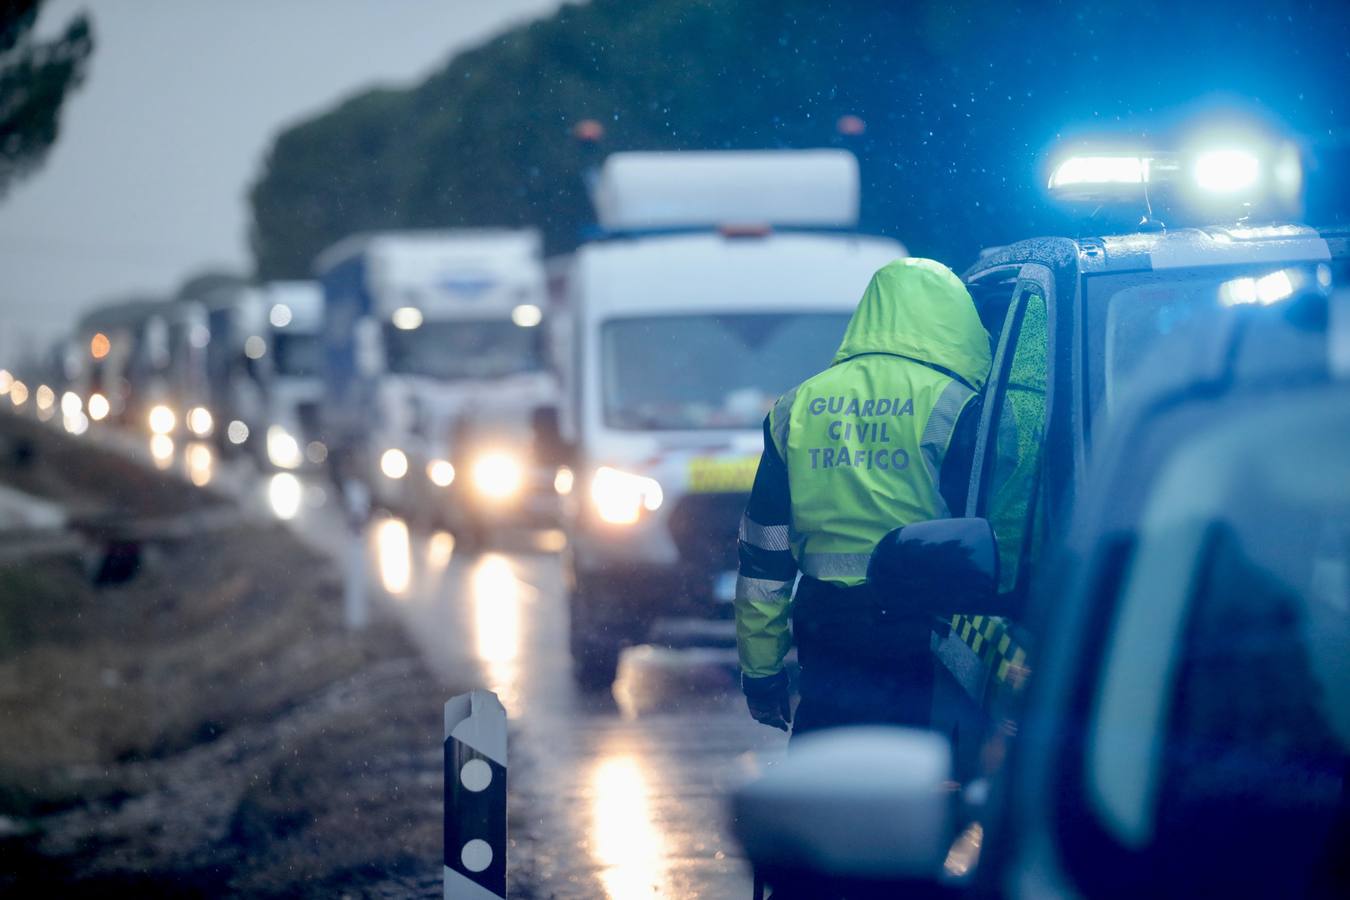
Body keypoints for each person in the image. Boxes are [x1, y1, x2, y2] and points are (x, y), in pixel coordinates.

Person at [734, 258, 991, 735]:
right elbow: (995, 529)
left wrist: (761, 673)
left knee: (825, 782)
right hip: (926, 635)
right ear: (954, 319)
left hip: (829, 633)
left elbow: (763, 558)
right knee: (916, 784)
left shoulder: (798, 406)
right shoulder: (960, 405)